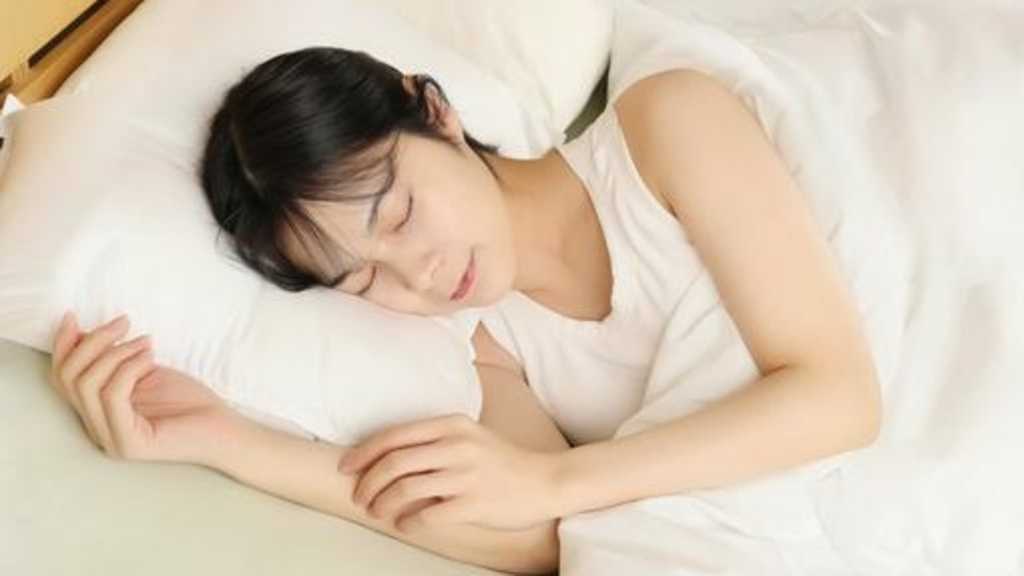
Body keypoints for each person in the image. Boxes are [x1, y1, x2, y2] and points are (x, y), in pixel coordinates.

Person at [49, 46, 882, 574]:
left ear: (436, 113)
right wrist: (224, 442)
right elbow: (537, 535)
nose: (419, 275)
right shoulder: (487, 344)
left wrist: (551, 477)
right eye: (363, 280)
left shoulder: (664, 125)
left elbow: (839, 396)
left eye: (400, 214)